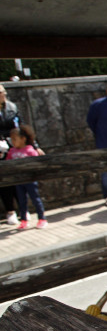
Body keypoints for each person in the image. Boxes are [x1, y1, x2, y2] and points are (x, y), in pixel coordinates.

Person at [6, 125, 47, 229]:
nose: (13, 142)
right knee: (21, 201)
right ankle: (23, 220)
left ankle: (42, 218)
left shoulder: (29, 150)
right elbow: (7, 162)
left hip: (30, 180)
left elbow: (36, 163)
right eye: (12, 139)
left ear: (23, 139)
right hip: (19, 180)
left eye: (15, 139)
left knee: (35, 199)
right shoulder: (12, 151)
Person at [1, 84, 22, 225]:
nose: (3, 95)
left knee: (18, 179)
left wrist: (34, 145)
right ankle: (10, 211)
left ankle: (23, 208)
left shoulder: (11, 107)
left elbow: (20, 127)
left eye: (3, 92)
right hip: (0, 150)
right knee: (4, 182)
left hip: (13, 146)